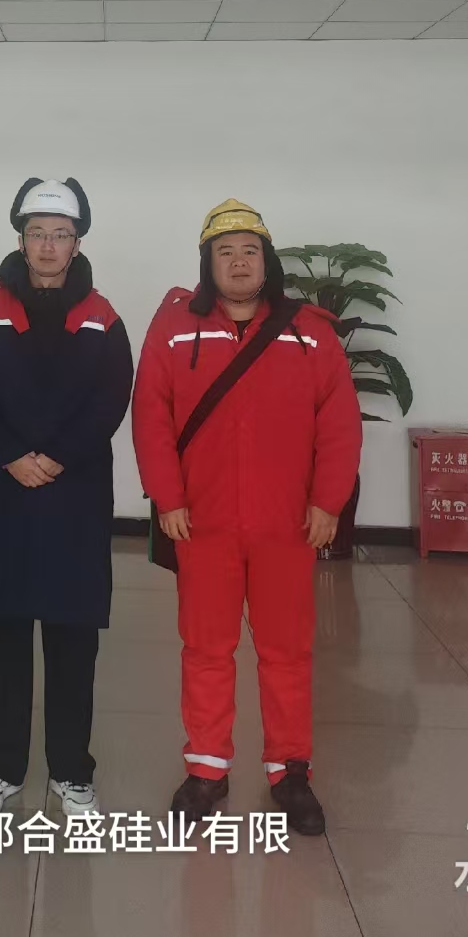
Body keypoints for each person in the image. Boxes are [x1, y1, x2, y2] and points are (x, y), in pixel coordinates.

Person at [131, 199, 361, 835]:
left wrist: (328, 502)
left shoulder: (308, 332)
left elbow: (339, 423)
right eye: (225, 252)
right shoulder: (174, 329)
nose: (238, 263)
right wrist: (168, 497)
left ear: (268, 261)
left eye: (249, 251)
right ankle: (207, 769)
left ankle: (290, 773)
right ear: (207, 263)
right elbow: (150, 415)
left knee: (287, 651)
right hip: (202, 524)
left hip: (287, 526)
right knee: (206, 648)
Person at [0, 178, 134, 817]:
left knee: (72, 636)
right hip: (2, 491)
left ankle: (72, 771)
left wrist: (58, 456)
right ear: (21, 240)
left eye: (61, 235)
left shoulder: (103, 317)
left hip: (73, 493)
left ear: (77, 242)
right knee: (3, 636)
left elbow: (111, 398)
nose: (49, 246)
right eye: (37, 235)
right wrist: (10, 455)